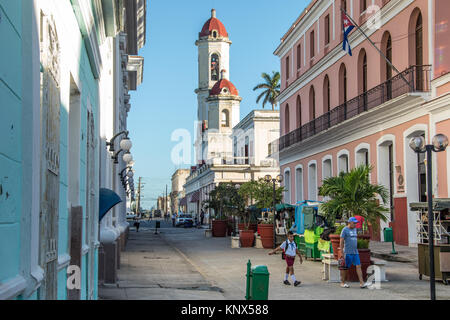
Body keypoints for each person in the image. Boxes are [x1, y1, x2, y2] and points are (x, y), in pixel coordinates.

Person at [339, 217, 369, 288]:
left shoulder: (355, 229)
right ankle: (343, 282)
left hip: (355, 252)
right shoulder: (345, 230)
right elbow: (341, 241)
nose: (355, 224)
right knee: (345, 268)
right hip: (347, 252)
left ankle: (362, 283)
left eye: (356, 223)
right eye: (354, 223)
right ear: (349, 222)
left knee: (358, 266)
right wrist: (341, 251)